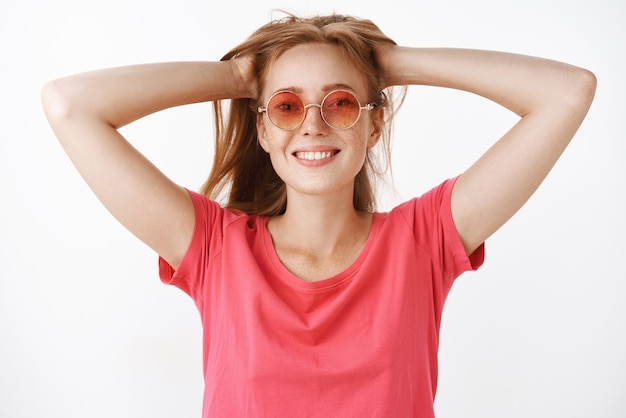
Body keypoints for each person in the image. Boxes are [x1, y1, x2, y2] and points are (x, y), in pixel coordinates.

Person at [41, 12, 596, 418]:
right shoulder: (214, 247)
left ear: (373, 125)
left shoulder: (422, 242)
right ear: (262, 128)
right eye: (286, 105)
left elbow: (567, 92)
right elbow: (70, 105)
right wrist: (240, 78)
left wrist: (384, 64)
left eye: (341, 103)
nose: (312, 124)